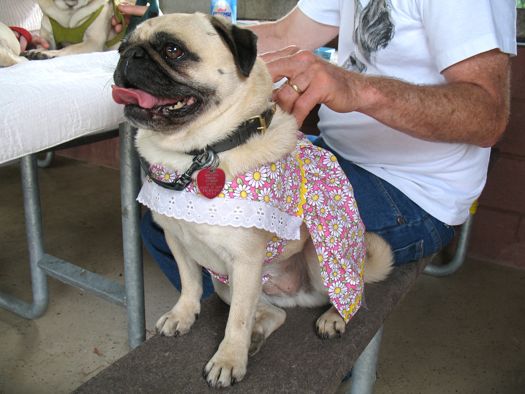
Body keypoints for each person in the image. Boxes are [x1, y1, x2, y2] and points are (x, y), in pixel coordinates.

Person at [116, 1, 516, 298]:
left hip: (411, 190)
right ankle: (231, 322)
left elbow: (489, 116)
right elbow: (285, 36)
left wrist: (358, 89)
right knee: (166, 212)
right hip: (332, 154)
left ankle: (273, 350)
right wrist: (171, 47)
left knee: (225, 229)